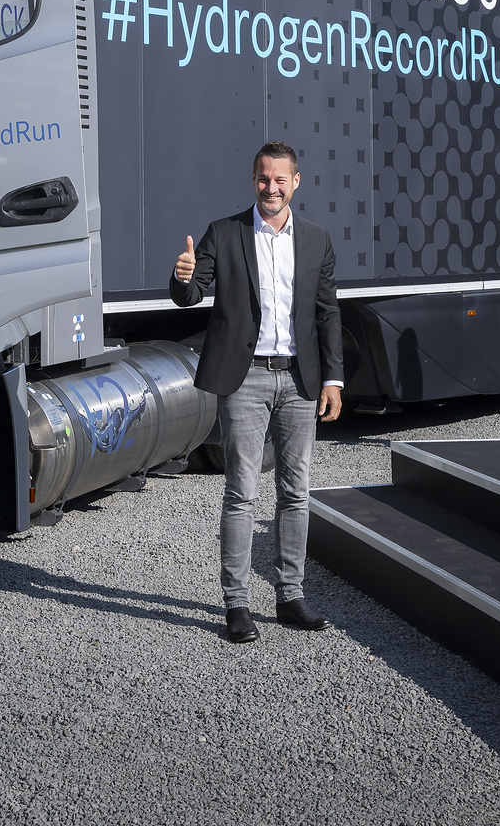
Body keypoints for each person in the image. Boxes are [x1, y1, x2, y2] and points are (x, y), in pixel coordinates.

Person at [170, 140, 342, 643]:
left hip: (300, 380)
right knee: (241, 493)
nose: (271, 188)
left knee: (296, 492)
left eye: (280, 179)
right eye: (263, 179)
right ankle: (237, 605)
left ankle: (290, 597)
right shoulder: (223, 235)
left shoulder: (316, 240)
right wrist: (182, 278)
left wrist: (333, 379)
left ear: (296, 183)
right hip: (244, 380)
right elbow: (191, 292)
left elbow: (328, 313)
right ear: (254, 181)